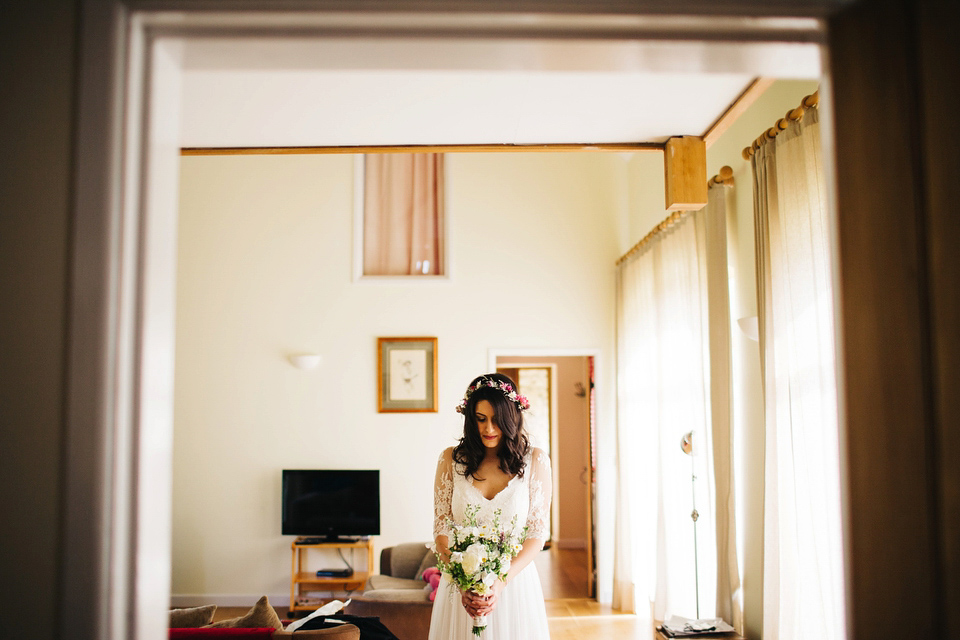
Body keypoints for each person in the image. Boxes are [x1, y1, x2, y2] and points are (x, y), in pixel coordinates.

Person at [428, 373, 552, 640]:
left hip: (514, 586)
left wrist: (498, 584)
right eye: (481, 419)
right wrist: (464, 584)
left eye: (497, 420)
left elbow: (537, 534)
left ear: (512, 417)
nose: (489, 429)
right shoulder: (450, 460)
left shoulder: (536, 461)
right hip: (461, 588)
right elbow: (441, 529)